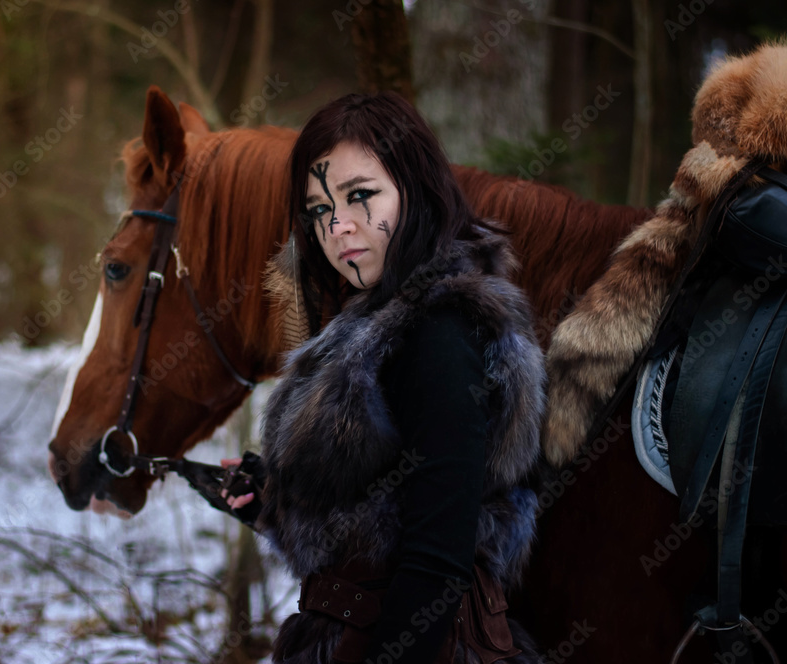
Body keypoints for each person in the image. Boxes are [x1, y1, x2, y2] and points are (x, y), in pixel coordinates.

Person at [219, 92, 546, 664]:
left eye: (360, 195)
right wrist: (272, 497)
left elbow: (437, 559)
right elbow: (371, 511)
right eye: (319, 209)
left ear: (415, 191)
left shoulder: (443, 331)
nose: (338, 225)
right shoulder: (377, 321)